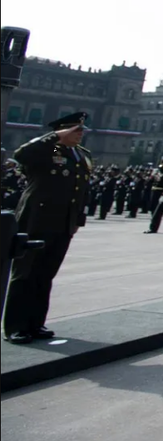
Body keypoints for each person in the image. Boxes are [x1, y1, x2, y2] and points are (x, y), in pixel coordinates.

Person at [4, 112, 91, 345]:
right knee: (25, 274)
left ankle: (35, 323)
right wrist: (54, 137)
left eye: (81, 130)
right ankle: (15, 326)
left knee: (45, 274)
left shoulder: (82, 156)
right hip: (36, 220)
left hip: (63, 224)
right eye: (75, 130)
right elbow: (22, 154)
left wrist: (77, 220)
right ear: (62, 131)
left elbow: (80, 191)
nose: (80, 134)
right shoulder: (49, 150)